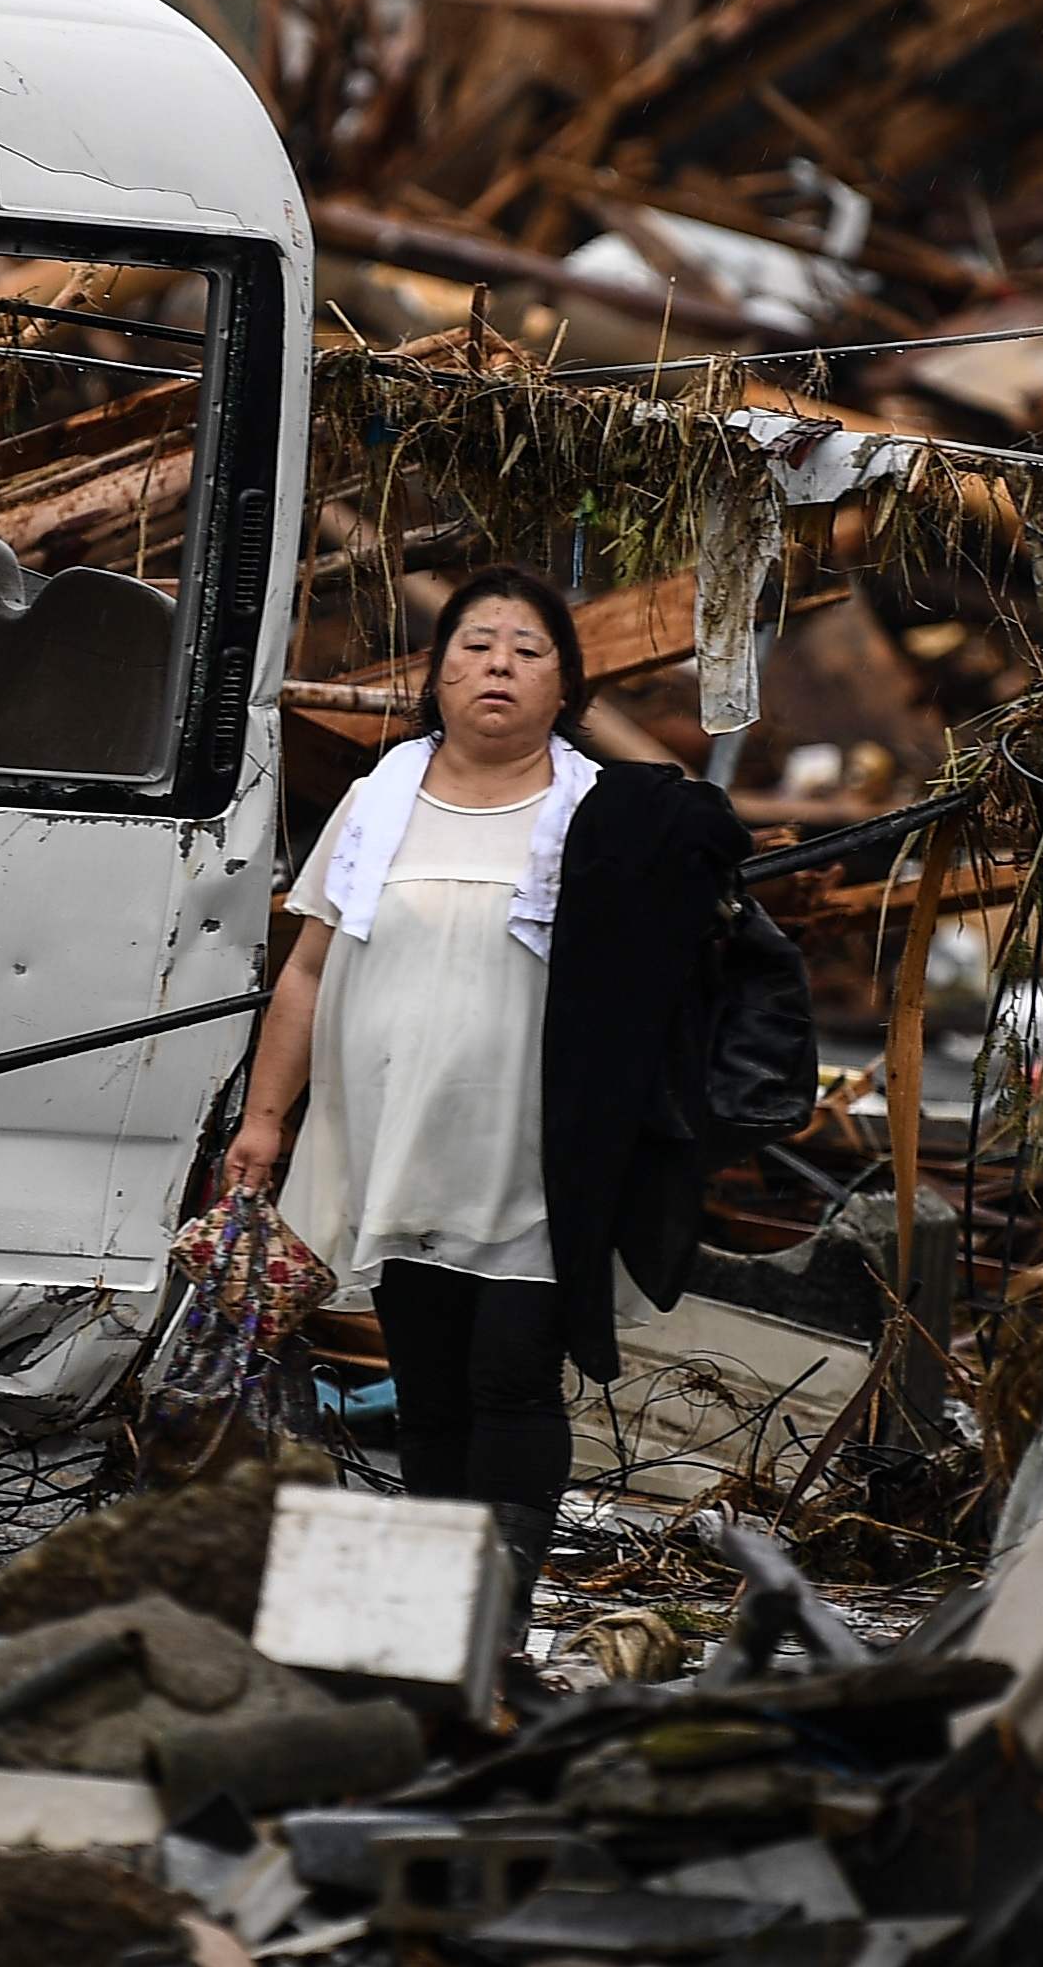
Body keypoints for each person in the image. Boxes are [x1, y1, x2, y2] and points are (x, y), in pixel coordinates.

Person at [224, 565, 757, 1569]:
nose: (498, 666)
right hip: (398, 1144)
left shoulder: (607, 816)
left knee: (510, 1376)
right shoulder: (373, 803)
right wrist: (265, 1118)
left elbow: (690, 951)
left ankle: (497, 1614)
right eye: (474, 646)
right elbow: (307, 971)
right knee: (425, 1385)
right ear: (438, 676)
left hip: (534, 1158)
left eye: (527, 650)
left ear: (567, 689)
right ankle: (434, 1610)